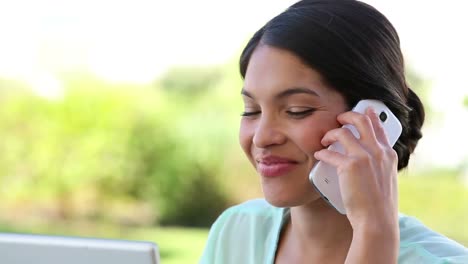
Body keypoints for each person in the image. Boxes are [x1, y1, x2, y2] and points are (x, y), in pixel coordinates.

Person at [200, 0, 468, 263]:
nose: (261, 137)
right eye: (251, 110)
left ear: (370, 117)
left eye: (297, 110)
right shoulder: (236, 232)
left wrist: (374, 232)